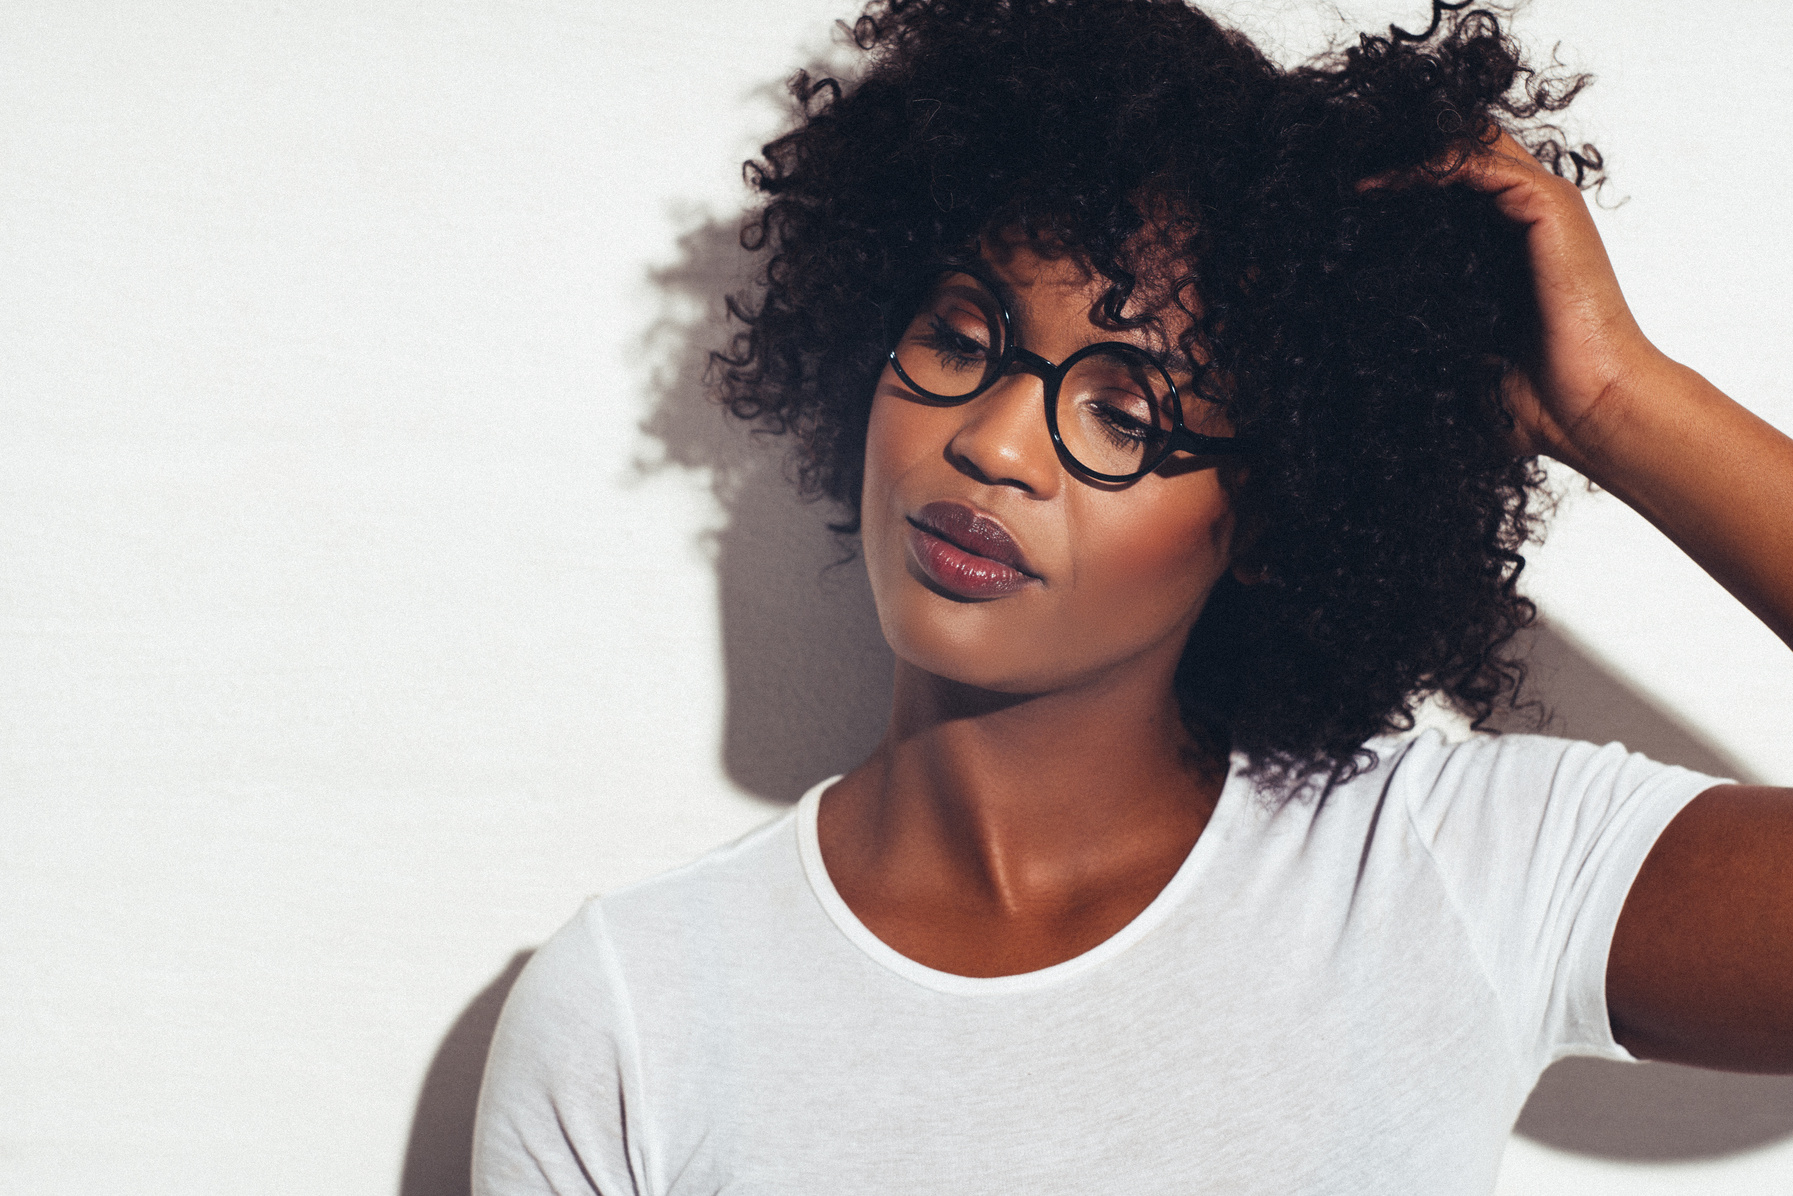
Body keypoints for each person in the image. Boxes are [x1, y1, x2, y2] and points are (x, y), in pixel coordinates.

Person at [472, 0, 1793, 1191]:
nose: (992, 442)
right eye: (959, 336)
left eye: (1127, 414)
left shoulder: (1440, 870)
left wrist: (1618, 405)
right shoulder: (637, 1007)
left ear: (1270, 517)